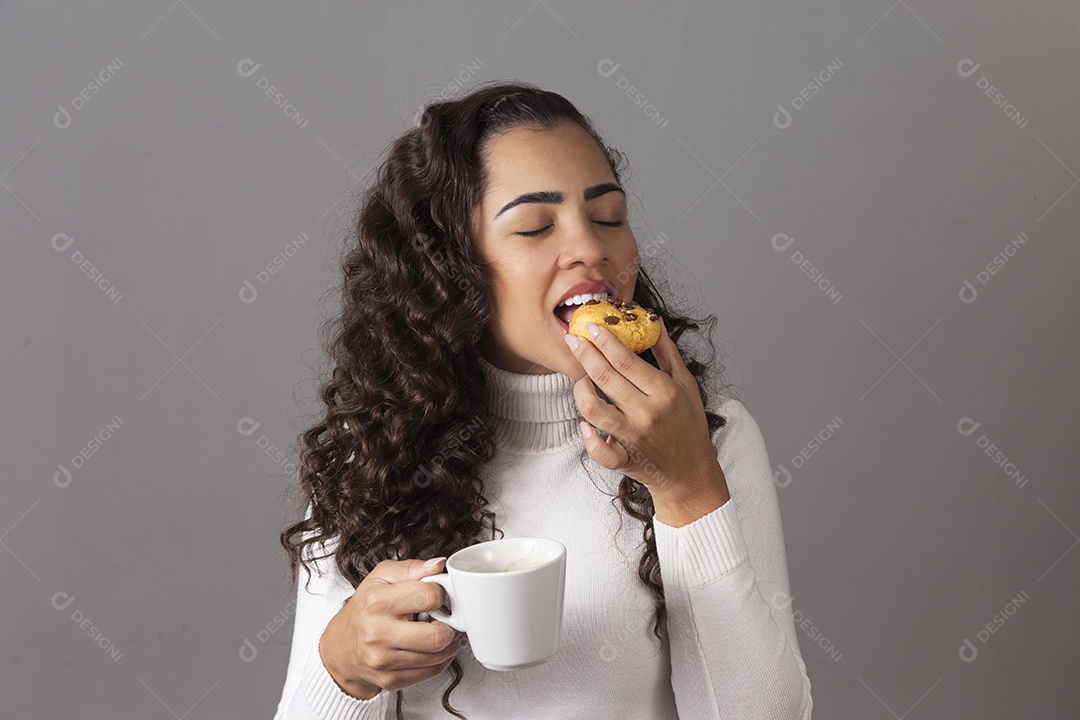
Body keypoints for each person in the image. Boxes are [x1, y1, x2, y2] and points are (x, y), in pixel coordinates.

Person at [272, 80, 812, 720]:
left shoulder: (710, 436)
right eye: (534, 226)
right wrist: (343, 672)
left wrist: (689, 484)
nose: (591, 249)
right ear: (449, 268)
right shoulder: (373, 452)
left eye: (609, 216)